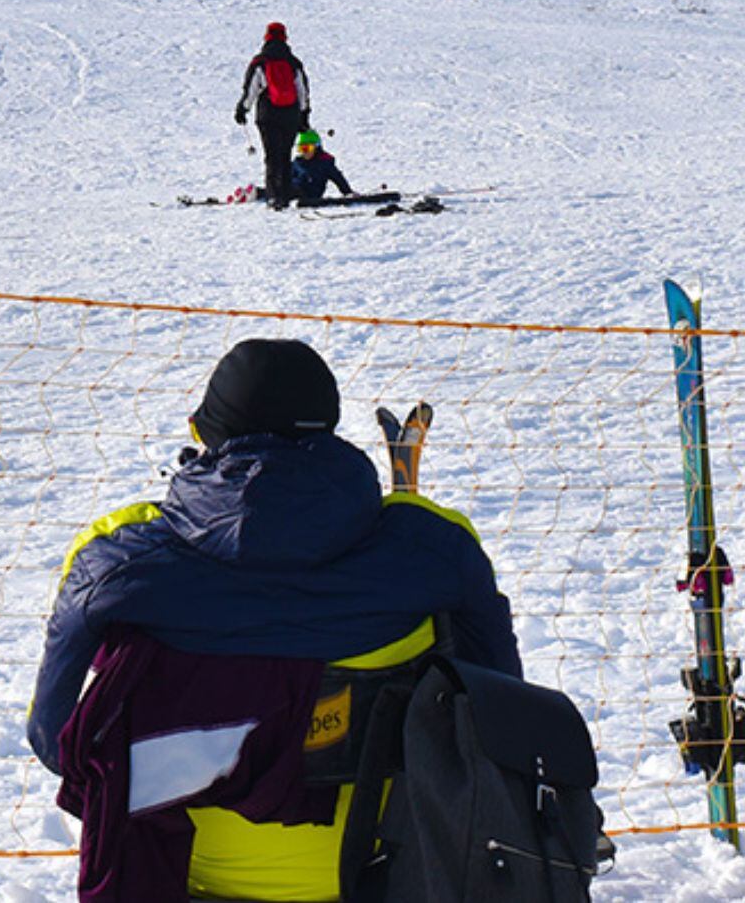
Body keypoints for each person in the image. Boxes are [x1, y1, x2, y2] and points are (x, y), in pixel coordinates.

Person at [29, 338, 521, 901]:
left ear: (208, 435)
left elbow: (54, 742)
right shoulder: (439, 547)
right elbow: (502, 709)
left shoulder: (113, 558)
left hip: (182, 870)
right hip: (386, 861)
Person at [233, 22, 310, 209]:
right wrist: (304, 116)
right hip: (290, 114)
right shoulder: (294, 62)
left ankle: (274, 196)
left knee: (272, 155)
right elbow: (303, 92)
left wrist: (242, 110)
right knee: (285, 154)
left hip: (268, 114)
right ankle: (286, 193)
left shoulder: (260, 62)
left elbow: (251, 89)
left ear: (266, 37)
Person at [290, 129, 353, 202]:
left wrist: (348, 192)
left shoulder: (324, 163)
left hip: (311, 194)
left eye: (307, 148)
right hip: (293, 191)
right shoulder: (297, 163)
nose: (305, 152)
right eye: (301, 149)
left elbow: (338, 178)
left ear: (316, 148)